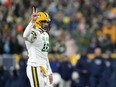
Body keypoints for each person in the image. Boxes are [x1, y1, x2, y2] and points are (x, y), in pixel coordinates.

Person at [23, 7, 53, 87]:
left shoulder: (45, 34)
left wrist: (49, 72)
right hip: (35, 67)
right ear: (38, 22)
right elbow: (25, 36)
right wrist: (32, 22)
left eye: (47, 22)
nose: (46, 24)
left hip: (44, 68)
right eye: (44, 22)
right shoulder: (34, 33)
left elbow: (45, 55)